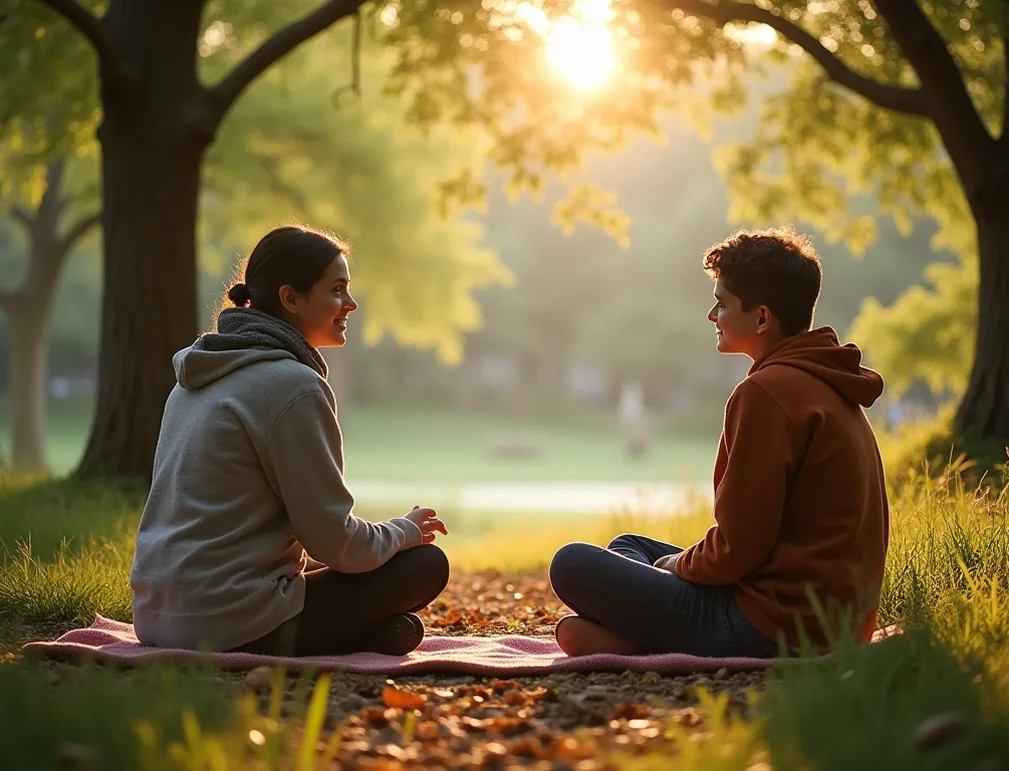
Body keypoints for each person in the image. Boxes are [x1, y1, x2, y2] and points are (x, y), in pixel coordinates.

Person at [548, 227, 889, 658]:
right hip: (835, 621)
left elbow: (737, 549)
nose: (712, 315)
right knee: (628, 547)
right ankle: (639, 638)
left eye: (722, 303)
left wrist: (678, 565)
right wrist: (680, 566)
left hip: (774, 625)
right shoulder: (827, 385)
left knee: (572, 564)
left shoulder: (766, 393)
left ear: (762, 318)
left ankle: (644, 639)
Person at [130, 225, 450, 656]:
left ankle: (368, 635)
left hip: (154, 616)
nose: (351, 303)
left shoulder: (194, 379)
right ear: (290, 298)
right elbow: (336, 543)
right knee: (424, 565)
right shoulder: (293, 386)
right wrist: (402, 532)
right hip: (227, 621)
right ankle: (353, 635)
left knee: (361, 585)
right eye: (336, 290)